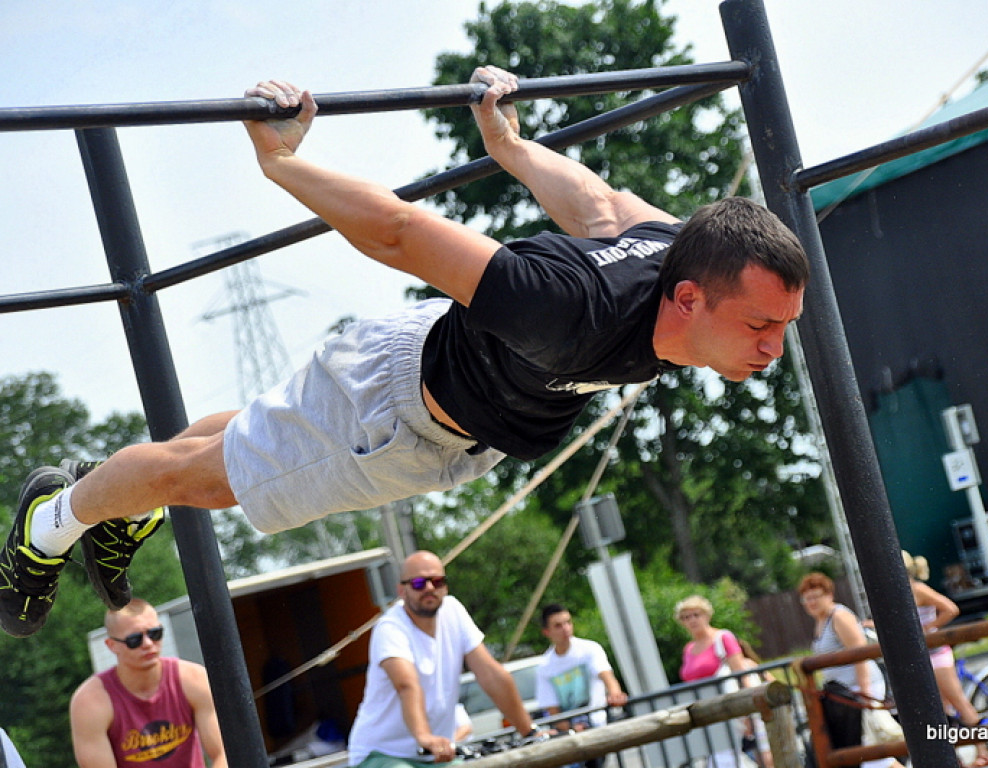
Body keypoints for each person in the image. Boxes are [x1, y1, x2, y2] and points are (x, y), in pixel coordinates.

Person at [0, 65, 809, 639]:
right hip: (389, 417)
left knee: (238, 437)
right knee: (206, 484)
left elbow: (599, 204)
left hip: (436, 382)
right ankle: (53, 520)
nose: (773, 350)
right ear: (691, 299)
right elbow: (399, 232)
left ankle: (118, 507)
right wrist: (283, 160)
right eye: (759, 328)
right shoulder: (563, 310)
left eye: (782, 327)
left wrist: (513, 149)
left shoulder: (678, 247)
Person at [345, 550, 534, 768]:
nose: (429, 588)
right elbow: (407, 685)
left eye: (437, 581)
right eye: (418, 583)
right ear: (401, 591)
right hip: (383, 754)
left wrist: (530, 732)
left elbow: (490, 674)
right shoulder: (390, 627)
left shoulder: (453, 611)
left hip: (434, 755)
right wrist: (425, 738)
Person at [68, 598, 227, 768]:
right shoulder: (90, 701)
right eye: (135, 640)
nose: (148, 644)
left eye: (155, 633)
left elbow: (223, 754)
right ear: (112, 645)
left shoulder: (194, 678)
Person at [798, 573, 902, 768]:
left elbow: (860, 653)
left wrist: (864, 693)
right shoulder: (821, 621)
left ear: (829, 595)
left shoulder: (839, 616)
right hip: (845, 694)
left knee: (872, 753)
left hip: (861, 688)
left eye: (816, 596)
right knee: (868, 754)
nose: (811, 602)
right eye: (806, 598)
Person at [903, 551, 988, 768]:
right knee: (941, 709)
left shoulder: (917, 589)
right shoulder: (906, 591)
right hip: (926, 656)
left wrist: (927, 628)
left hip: (936, 654)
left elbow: (950, 608)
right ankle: (955, 757)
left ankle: (983, 752)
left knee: (958, 701)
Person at [675, 595, 772, 768]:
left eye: (696, 615)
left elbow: (740, 674)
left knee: (762, 754)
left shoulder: (723, 637)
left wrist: (748, 710)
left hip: (732, 707)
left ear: (706, 615)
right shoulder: (688, 649)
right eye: (686, 617)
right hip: (709, 713)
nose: (692, 620)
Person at [534, 603, 627, 767]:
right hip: (571, 736)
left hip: (597, 726)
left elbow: (606, 675)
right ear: (546, 632)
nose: (566, 628)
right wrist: (570, 729)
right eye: (558, 625)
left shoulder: (589, 648)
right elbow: (553, 709)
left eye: (568, 622)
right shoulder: (545, 666)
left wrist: (615, 693)